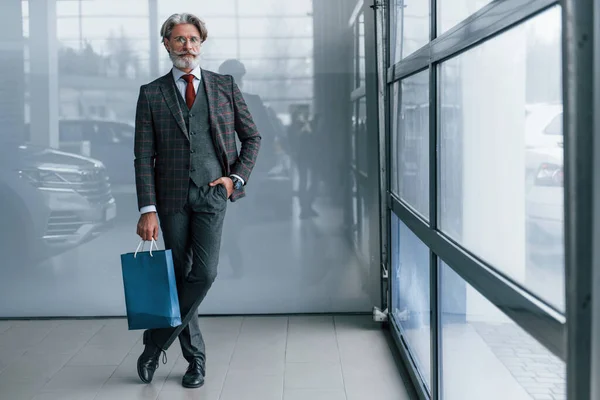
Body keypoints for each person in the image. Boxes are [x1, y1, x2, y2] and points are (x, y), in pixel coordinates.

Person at [133, 13, 260, 389]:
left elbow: (252, 137)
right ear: (167, 44)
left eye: (192, 39)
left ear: (201, 43)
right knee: (176, 278)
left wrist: (233, 179)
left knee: (202, 274)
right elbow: (143, 156)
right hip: (170, 198)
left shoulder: (224, 86)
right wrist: (147, 208)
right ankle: (196, 361)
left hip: (211, 193)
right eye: (177, 39)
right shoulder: (151, 93)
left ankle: (155, 342)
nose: (186, 46)